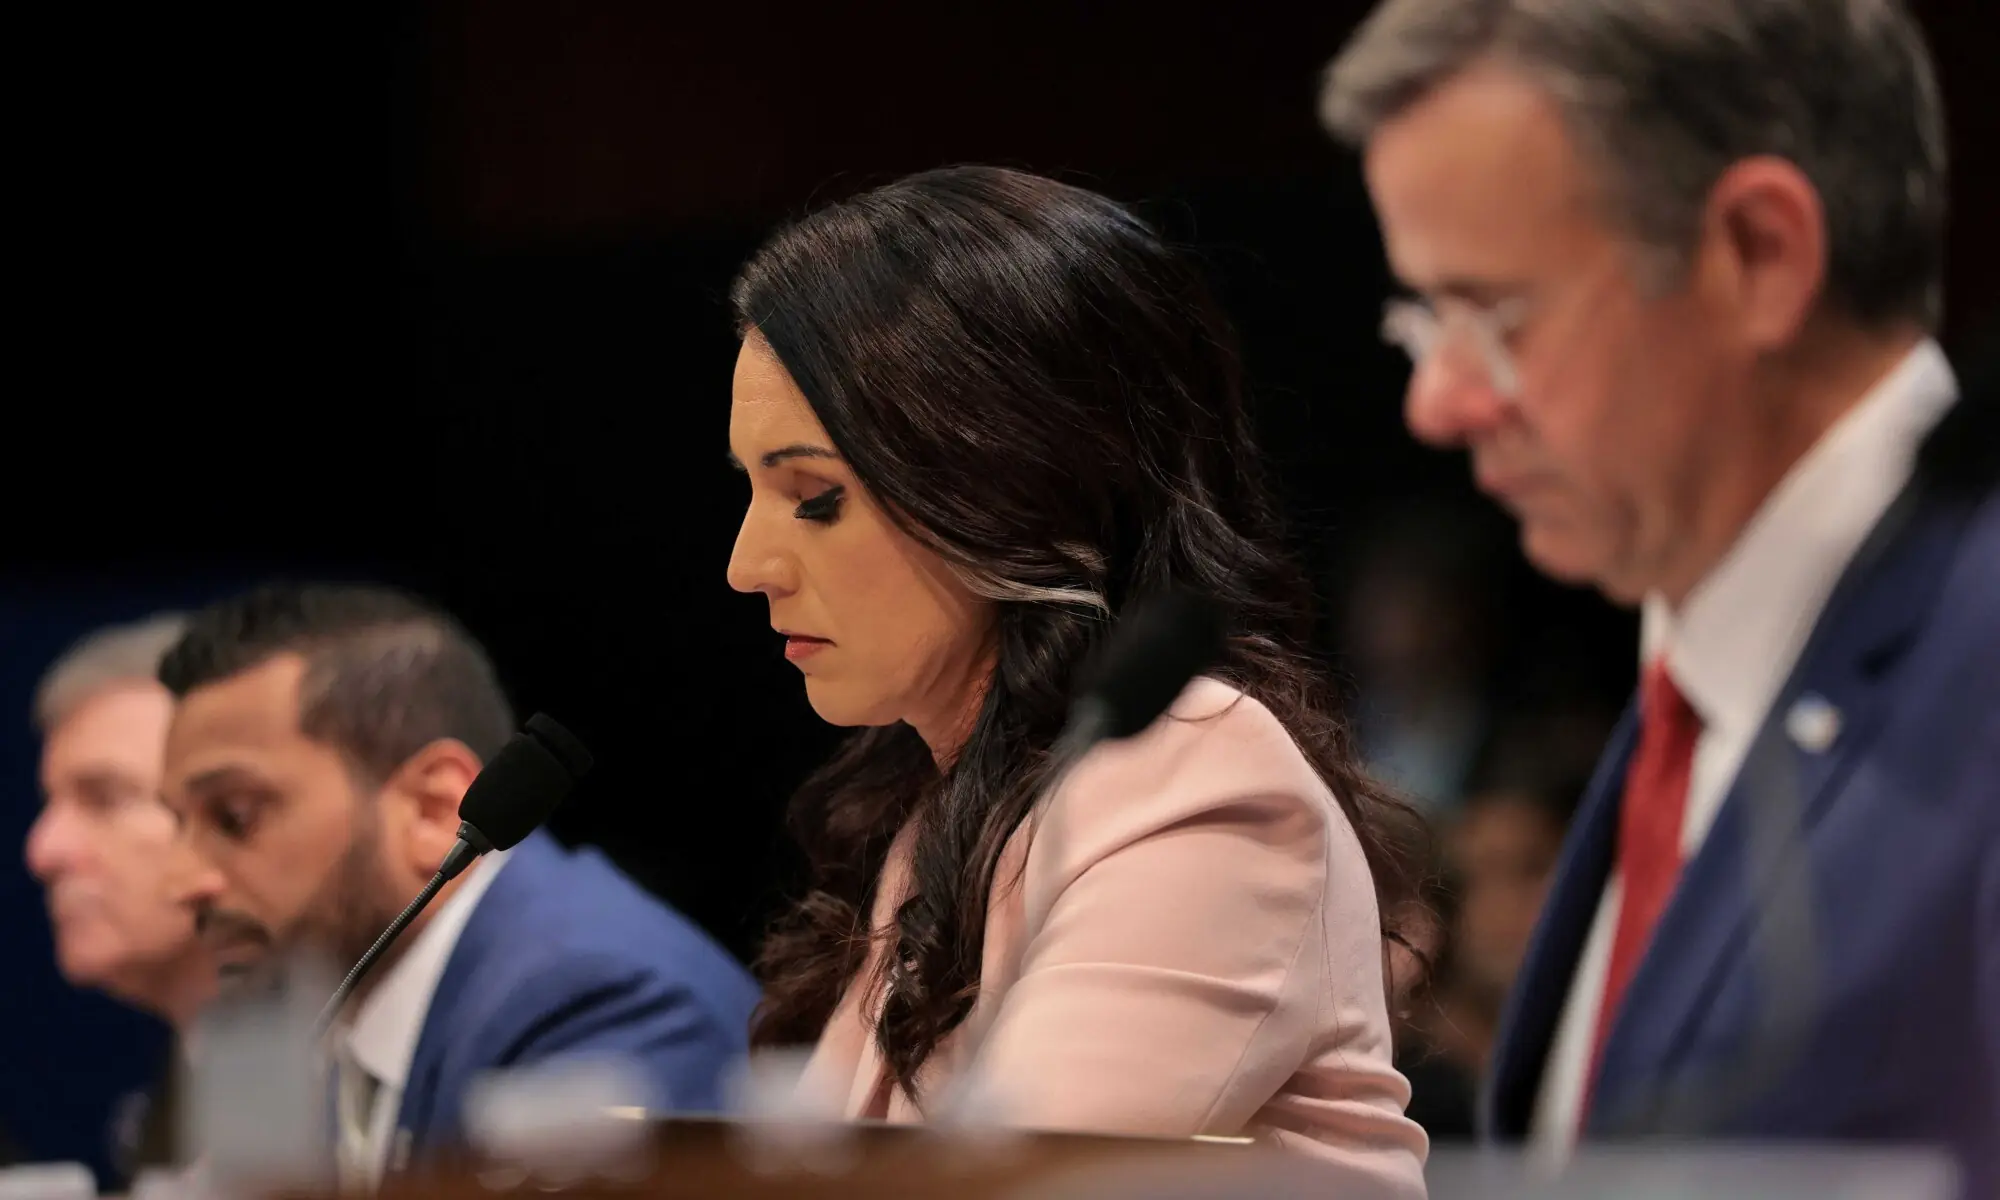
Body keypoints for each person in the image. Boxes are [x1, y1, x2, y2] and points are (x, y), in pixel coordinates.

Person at [1321, 0, 1999, 1191]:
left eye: (1492, 314)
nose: (1435, 402)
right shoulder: (1686, 669)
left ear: (1758, 256)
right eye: (1423, 321)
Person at [725, 164, 1430, 1194]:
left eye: (814, 497)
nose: (747, 565)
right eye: (749, 491)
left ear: (1006, 479)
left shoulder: (1195, 772)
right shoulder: (943, 809)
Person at [155, 583, 761, 1190]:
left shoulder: (599, 1001)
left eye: (235, 816)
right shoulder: (348, 999)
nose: (181, 882)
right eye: (176, 824)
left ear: (432, 808)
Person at [26, 614, 221, 1182]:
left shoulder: (315, 1062)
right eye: (50, 802)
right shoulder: (193, 1071)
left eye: (105, 798)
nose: (43, 850)